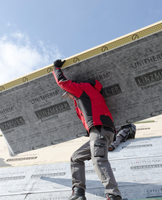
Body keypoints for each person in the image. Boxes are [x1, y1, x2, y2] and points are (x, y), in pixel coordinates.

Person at [53, 59, 122, 200]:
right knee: (76, 157)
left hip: (100, 130)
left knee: (99, 160)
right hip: (101, 132)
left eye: (69, 93)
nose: (69, 96)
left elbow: (63, 82)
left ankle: (113, 195)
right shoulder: (92, 94)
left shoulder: (82, 89)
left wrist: (56, 68)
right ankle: (78, 193)